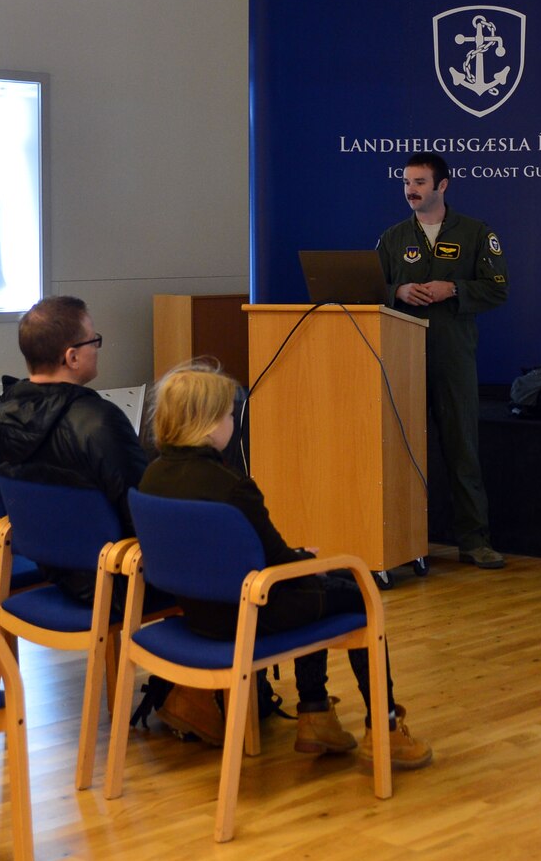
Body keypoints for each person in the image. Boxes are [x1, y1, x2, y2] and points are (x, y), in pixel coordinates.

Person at [139, 363, 433, 769]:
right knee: (353, 590)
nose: (231, 422)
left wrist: (298, 560)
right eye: (227, 415)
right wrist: (304, 558)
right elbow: (277, 560)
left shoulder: (151, 478)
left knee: (318, 580)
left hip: (197, 612)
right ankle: (380, 727)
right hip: (246, 618)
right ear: (208, 426)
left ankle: (317, 716)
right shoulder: (232, 487)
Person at [377, 151, 510, 568]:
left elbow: (497, 289)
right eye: (406, 183)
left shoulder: (475, 232)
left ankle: (474, 541)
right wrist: (396, 292)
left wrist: (452, 289)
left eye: (419, 183)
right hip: (401, 357)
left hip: (452, 356)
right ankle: (402, 543)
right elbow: (366, 286)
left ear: (442, 186)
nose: (410, 191)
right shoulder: (393, 237)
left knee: (461, 448)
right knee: (398, 450)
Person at [0, 296, 144, 600]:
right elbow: (142, 511)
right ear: (72, 357)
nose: (97, 347)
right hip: (116, 577)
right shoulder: (99, 422)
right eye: (94, 340)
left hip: (46, 566)